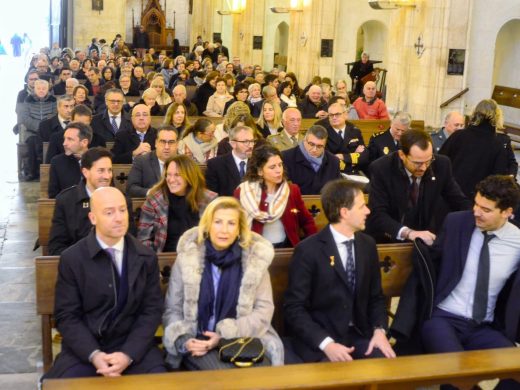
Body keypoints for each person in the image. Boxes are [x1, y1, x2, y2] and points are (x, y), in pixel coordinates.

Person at [393, 175, 520, 389]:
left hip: (484, 326)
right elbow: (430, 265)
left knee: (515, 372)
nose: (476, 213)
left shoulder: (517, 242)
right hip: (443, 318)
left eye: (486, 210)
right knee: (458, 375)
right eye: (476, 204)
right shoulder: (457, 223)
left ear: (507, 212)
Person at [44, 186, 166, 378]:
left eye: (123, 210)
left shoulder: (145, 257)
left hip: (133, 347)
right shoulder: (73, 259)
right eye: (109, 212)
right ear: (93, 218)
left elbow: (151, 311)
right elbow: (67, 315)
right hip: (85, 349)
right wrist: (94, 355)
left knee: (159, 382)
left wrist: (128, 354)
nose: (119, 217)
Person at [162, 196, 284, 369]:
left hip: (243, 338)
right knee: (223, 380)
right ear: (208, 225)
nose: (224, 230)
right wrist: (185, 340)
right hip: (199, 341)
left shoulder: (254, 260)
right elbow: (172, 309)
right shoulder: (188, 257)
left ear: (240, 229)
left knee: (260, 379)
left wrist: (226, 335)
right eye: (218, 222)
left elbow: (263, 310)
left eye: (231, 223)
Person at [284, 179, 395, 363]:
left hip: (359, 334)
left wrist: (379, 331)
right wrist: (326, 343)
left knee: (386, 366)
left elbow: (376, 297)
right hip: (320, 339)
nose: (368, 211)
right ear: (344, 212)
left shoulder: (367, 245)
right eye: (362, 207)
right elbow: (294, 308)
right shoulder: (309, 250)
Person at [367, 129, 470, 245]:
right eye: (417, 163)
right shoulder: (381, 168)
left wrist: (476, 216)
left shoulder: (441, 165)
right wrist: (408, 233)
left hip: (425, 238)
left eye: (428, 161)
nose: (424, 168)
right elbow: (377, 214)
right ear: (402, 155)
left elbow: (458, 200)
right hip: (388, 238)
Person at [235, 144, 317, 248]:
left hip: (287, 248)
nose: (279, 170)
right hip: (255, 251)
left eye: (280, 165)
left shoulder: (292, 190)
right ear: (260, 171)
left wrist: (315, 247)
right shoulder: (244, 192)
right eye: (272, 167)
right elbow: (236, 225)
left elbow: (307, 221)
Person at [48, 147, 125, 255]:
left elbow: (129, 241)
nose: (107, 176)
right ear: (85, 172)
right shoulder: (66, 201)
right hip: (78, 265)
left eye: (110, 170)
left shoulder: (121, 199)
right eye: (101, 170)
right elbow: (56, 246)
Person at [137, 155, 217, 252]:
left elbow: (216, 236)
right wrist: (155, 261)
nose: (171, 180)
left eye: (177, 175)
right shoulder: (155, 199)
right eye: (168, 174)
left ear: (189, 176)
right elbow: (143, 239)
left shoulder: (209, 200)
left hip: (199, 258)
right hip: (165, 260)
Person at [440, 99, 512, 198]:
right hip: (477, 201)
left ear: (474, 114)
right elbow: (497, 179)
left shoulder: (458, 136)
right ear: (497, 117)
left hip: (450, 194)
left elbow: (440, 161)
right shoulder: (497, 145)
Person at [282, 125, 341, 195]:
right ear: (304, 140)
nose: (314, 149)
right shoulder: (286, 158)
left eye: (319, 146)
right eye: (311, 144)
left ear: (325, 145)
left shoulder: (334, 162)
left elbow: (336, 192)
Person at [127, 125, 178, 197]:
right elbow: (131, 188)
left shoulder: (184, 163)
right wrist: (152, 192)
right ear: (156, 143)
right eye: (163, 142)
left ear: (177, 144)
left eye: (171, 142)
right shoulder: (142, 161)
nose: (167, 147)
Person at [206, 125, 255, 196]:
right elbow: (212, 196)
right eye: (245, 142)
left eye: (252, 141)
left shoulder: (258, 163)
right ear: (233, 144)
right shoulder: (215, 164)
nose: (251, 146)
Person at [48, 122, 92, 198]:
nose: (64, 143)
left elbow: (108, 190)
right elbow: (53, 195)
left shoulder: (99, 160)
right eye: (64, 139)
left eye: (70, 139)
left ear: (84, 142)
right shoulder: (57, 162)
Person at [324, 102, 368, 175]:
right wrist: (353, 159)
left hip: (355, 174)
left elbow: (364, 157)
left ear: (345, 115)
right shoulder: (325, 133)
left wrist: (342, 156)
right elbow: (329, 160)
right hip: (334, 174)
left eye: (337, 114)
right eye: (331, 115)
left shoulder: (355, 131)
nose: (334, 117)